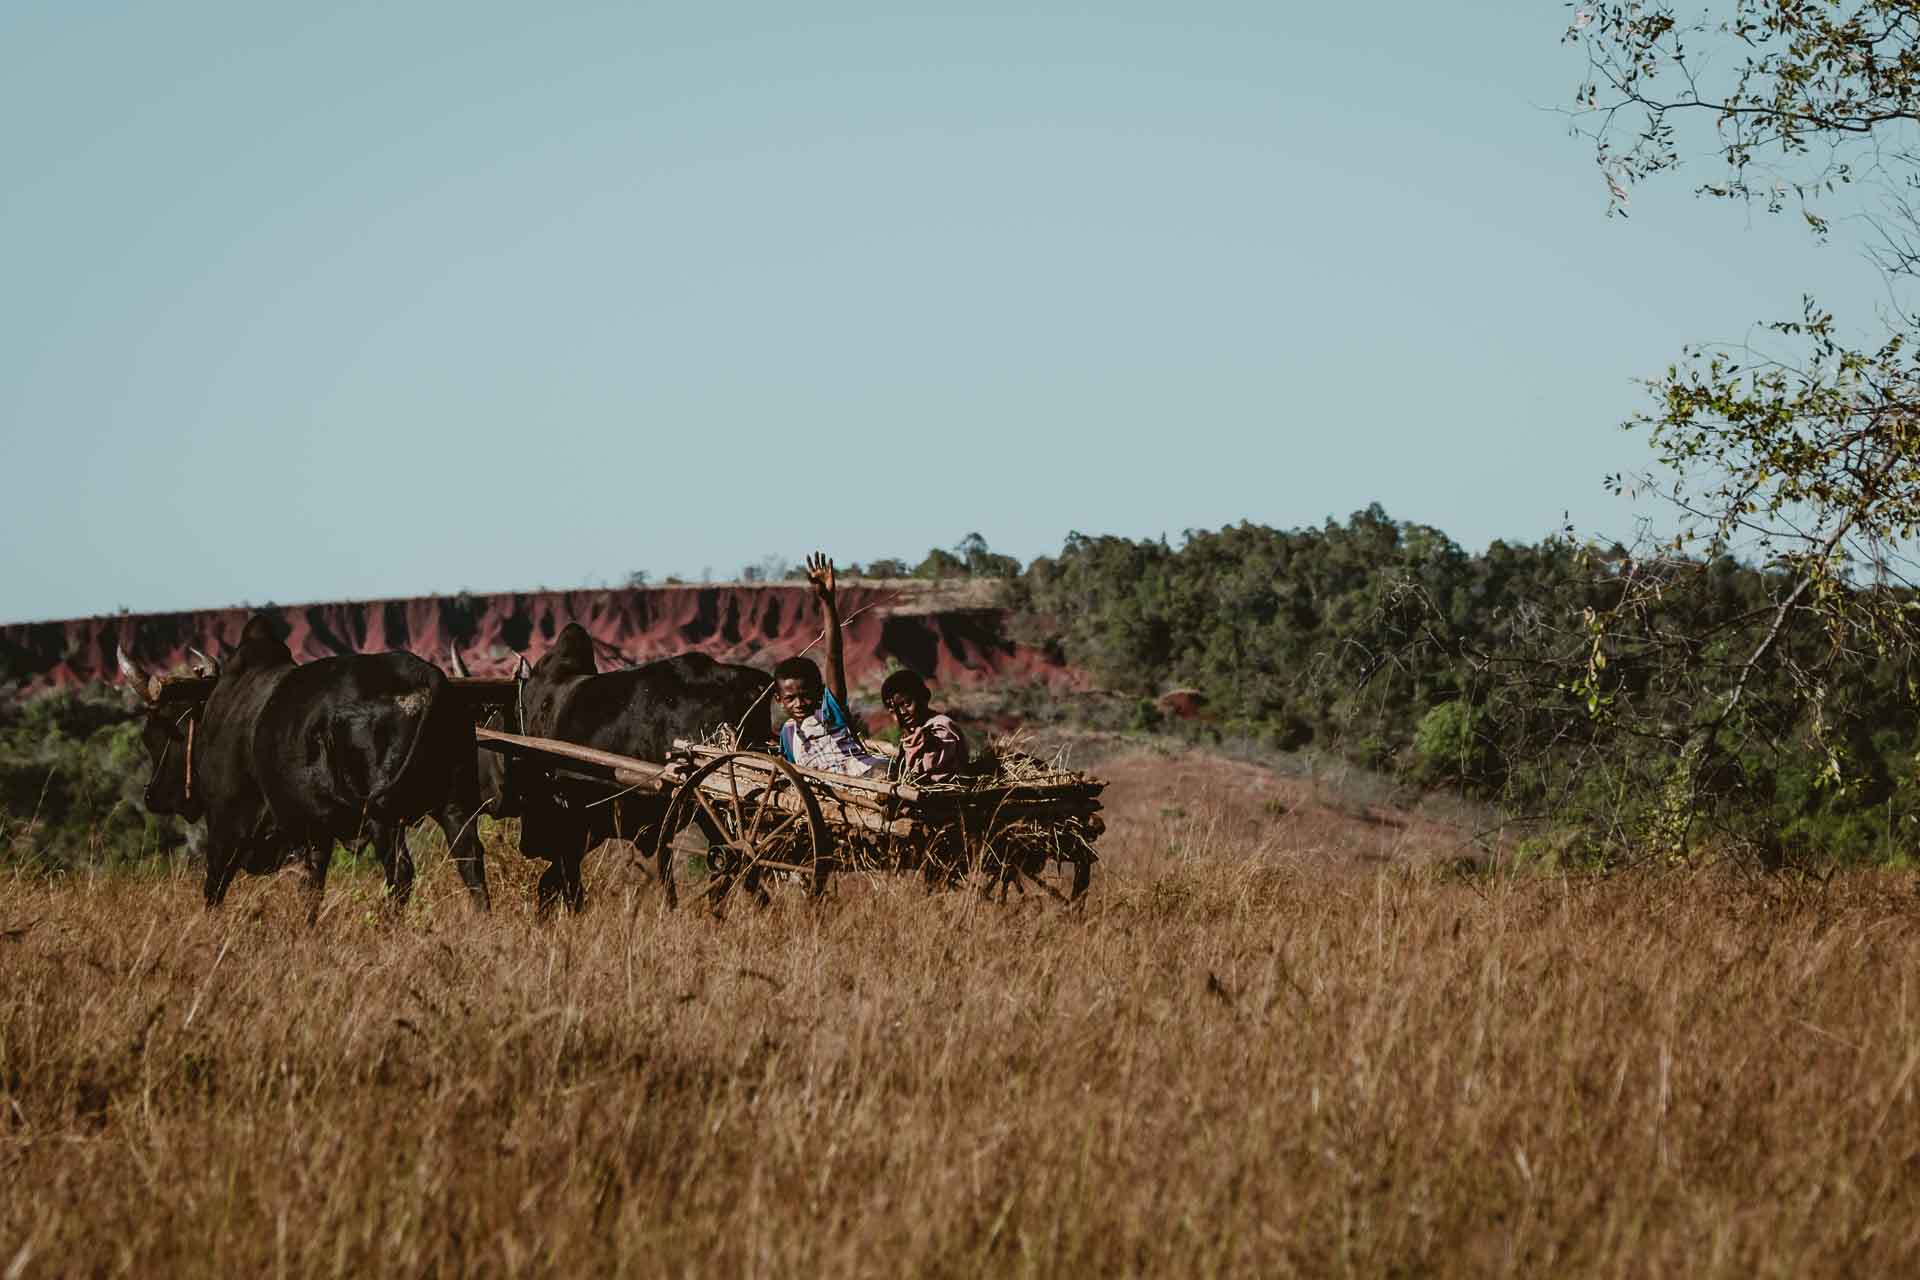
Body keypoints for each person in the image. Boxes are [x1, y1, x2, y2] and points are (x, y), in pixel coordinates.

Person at [774, 553, 890, 776]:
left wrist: (827, 602)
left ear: (819, 692)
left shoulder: (829, 713)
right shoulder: (787, 735)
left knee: (882, 773)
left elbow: (834, 656)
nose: (799, 704)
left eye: (805, 695)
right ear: (779, 700)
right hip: (829, 792)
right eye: (790, 698)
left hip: (864, 776)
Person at [881, 669, 968, 783]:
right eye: (894, 710)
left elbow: (935, 766)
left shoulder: (942, 726)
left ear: (924, 697)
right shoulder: (909, 735)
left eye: (907, 703)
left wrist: (928, 741)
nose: (902, 712)